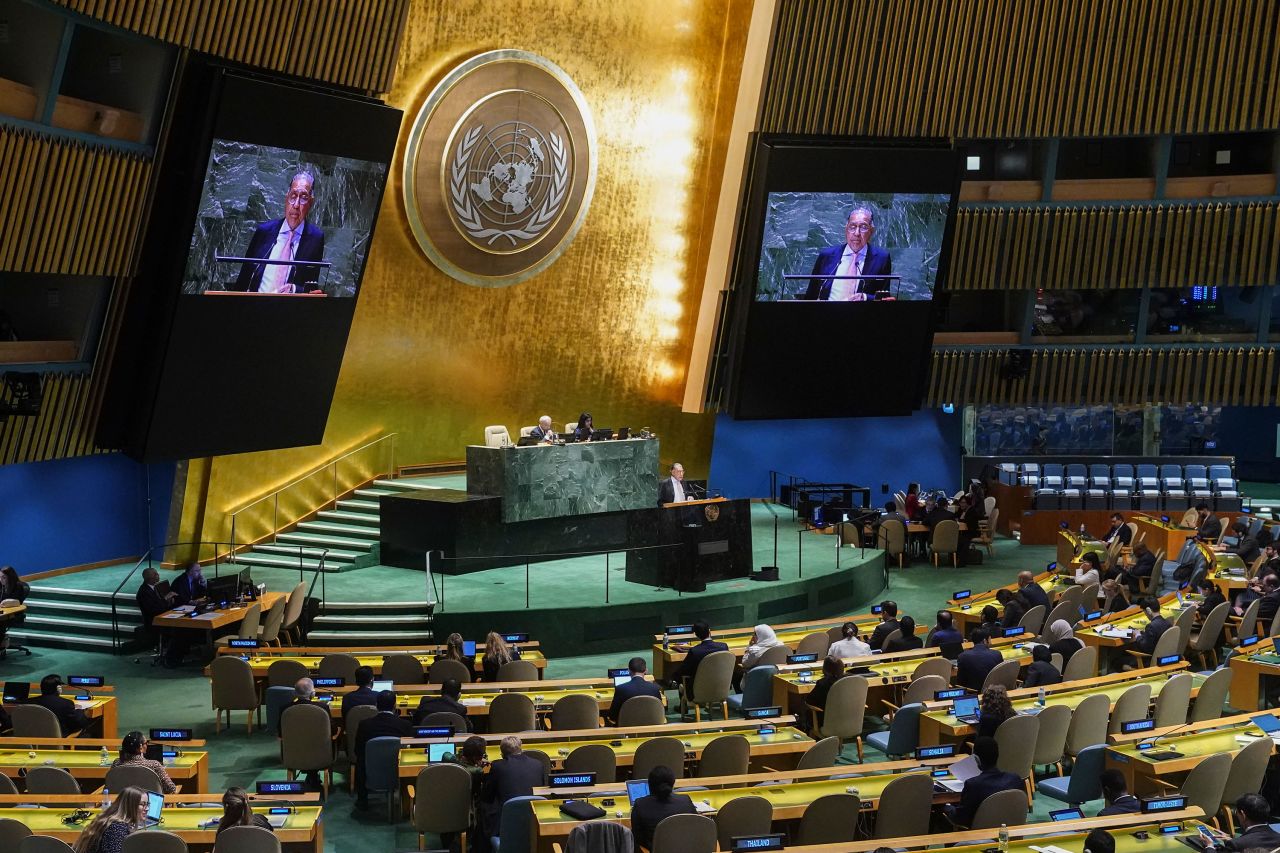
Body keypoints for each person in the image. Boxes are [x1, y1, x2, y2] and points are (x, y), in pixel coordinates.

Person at [233, 169, 326, 294]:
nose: (296, 205)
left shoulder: (315, 238)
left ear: (311, 202)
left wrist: (294, 289)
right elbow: (244, 278)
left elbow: (311, 288)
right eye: (293, 196)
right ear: (286, 198)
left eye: (303, 198)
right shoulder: (264, 232)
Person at [802, 205, 893, 301]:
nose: (857, 233)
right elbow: (811, 294)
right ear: (846, 229)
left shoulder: (882, 258)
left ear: (871, 231)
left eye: (863, 227)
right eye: (852, 227)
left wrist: (865, 298)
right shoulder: (826, 256)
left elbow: (885, 298)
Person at [949, 736, 1023, 828]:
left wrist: (947, 807)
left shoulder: (973, 784)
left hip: (979, 837)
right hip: (1009, 833)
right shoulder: (1015, 779)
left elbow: (961, 819)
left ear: (976, 759)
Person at [354, 690, 409, 810]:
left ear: (376, 706)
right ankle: (406, 803)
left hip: (371, 770)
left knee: (361, 759)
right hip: (398, 770)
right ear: (395, 706)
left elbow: (357, 751)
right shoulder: (405, 725)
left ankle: (362, 799)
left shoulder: (365, 725)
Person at [481, 736, 547, 836]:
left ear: (502, 753)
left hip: (506, 822)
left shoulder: (497, 766)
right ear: (521, 749)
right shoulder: (538, 764)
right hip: (535, 819)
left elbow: (488, 797)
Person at [630, 764, 697, 851]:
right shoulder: (685, 800)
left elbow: (636, 837)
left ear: (649, 784)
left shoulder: (640, 804)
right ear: (672, 783)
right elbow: (696, 826)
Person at [72, 785, 146, 853]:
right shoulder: (117, 828)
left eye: (147, 804)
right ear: (130, 805)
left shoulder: (112, 819)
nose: (147, 808)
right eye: (142, 804)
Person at [111, 731, 177, 793]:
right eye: (146, 743)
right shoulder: (154, 765)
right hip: (150, 804)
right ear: (140, 747)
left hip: (124, 804)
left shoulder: (116, 763)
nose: (147, 745)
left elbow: (110, 786)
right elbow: (171, 789)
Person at [668, 620, 729, 687]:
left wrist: (672, 678)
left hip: (699, 689)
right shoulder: (723, 647)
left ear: (696, 635)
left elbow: (684, 671)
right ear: (709, 631)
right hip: (720, 687)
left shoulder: (695, 651)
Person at [607, 657, 663, 725]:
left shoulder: (620, 689)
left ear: (629, 671)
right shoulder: (655, 688)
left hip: (626, 728)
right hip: (650, 727)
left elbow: (612, 716)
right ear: (646, 670)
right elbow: (660, 711)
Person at [806, 656, 847, 728]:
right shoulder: (849, 681)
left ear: (824, 669)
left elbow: (809, 701)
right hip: (849, 720)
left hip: (826, 723)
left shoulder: (823, 683)